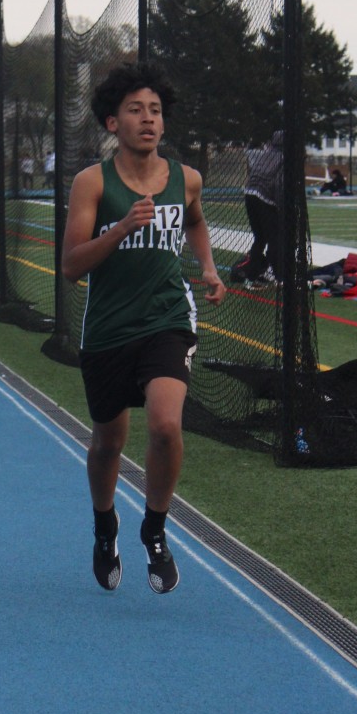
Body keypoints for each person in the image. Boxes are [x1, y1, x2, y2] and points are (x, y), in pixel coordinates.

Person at [60, 61, 225, 595]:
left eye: (155, 110)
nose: (148, 119)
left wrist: (208, 267)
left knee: (165, 425)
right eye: (135, 110)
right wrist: (123, 228)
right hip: (108, 327)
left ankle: (154, 529)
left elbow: (195, 219)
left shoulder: (186, 178)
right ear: (113, 122)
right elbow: (71, 266)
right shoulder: (92, 183)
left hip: (167, 317)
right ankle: (104, 525)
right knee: (108, 442)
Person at [231, 130, 283, 284]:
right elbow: (279, 184)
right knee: (274, 238)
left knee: (260, 237)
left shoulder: (264, 154)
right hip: (264, 198)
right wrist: (280, 207)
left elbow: (252, 166)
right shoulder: (283, 158)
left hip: (249, 195)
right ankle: (275, 273)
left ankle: (252, 273)